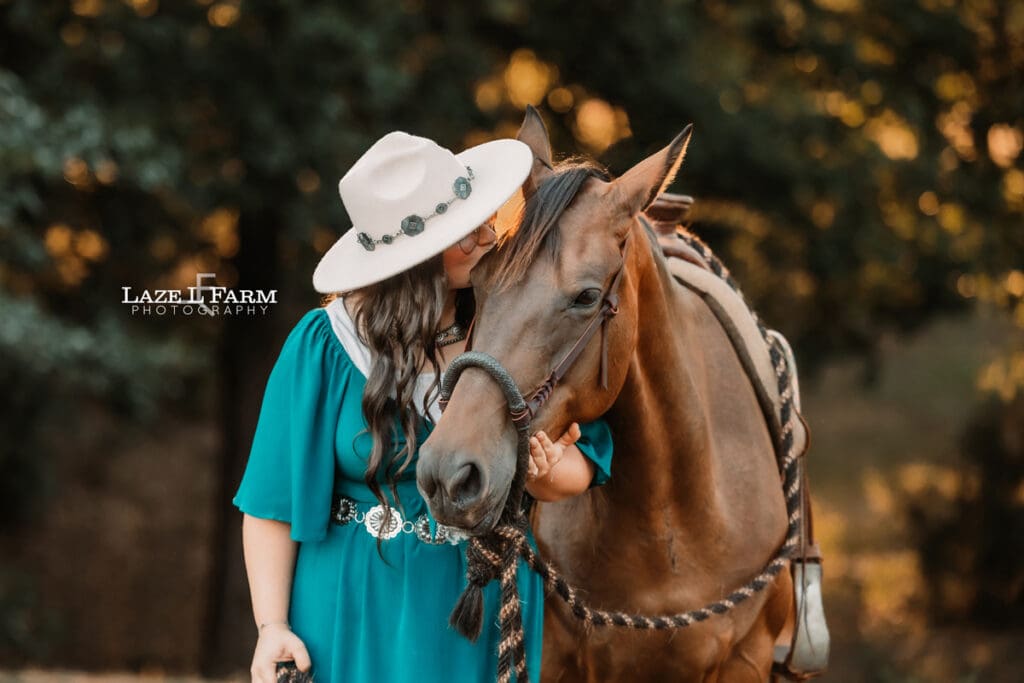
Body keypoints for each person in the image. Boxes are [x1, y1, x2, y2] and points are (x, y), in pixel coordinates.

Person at [232, 131, 614, 683]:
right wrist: (271, 628)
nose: (489, 235)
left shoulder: (513, 334)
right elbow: (272, 503)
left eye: (484, 218)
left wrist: (548, 469)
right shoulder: (325, 345)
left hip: (474, 606)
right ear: (416, 256)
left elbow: (584, 468)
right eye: (467, 231)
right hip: (350, 603)